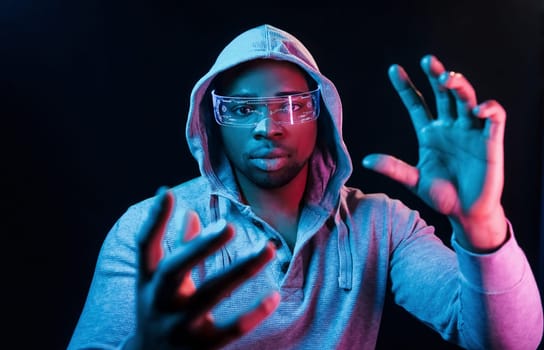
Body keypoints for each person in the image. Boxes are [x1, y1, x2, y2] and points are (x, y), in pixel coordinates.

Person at [68, 24, 543, 349]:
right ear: (211, 122)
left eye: (292, 104)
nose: (268, 127)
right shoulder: (153, 230)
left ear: (325, 117)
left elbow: (510, 342)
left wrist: (483, 223)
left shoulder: (381, 226)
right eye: (241, 107)